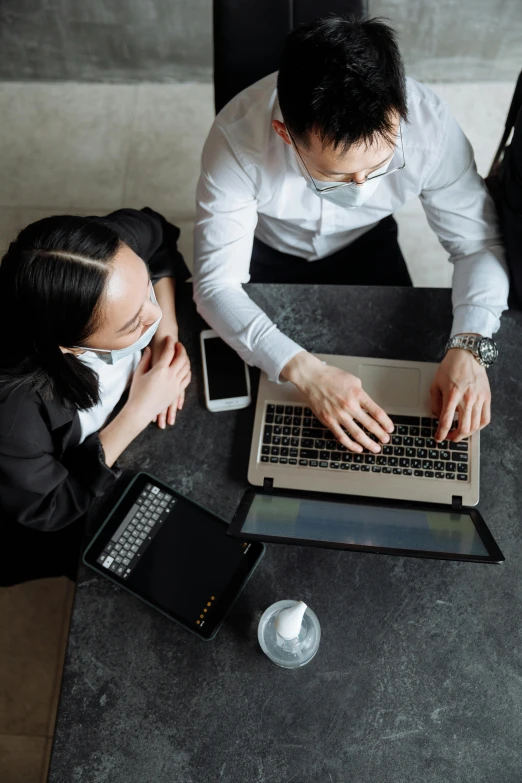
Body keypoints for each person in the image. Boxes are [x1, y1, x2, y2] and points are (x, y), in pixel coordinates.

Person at [194, 15, 509, 456]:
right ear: (285, 134)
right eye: (336, 174)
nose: (362, 188)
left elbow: (476, 245)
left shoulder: (431, 127)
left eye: (378, 167)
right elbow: (215, 286)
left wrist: (472, 344)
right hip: (267, 248)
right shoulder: (235, 139)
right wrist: (305, 372)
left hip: (369, 243)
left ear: (397, 114)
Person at [0, 208, 192, 585]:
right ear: (69, 348)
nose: (150, 314)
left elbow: (159, 236)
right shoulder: (14, 414)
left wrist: (166, 330)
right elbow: (50, 505)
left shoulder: (102, 254)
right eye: (133, 323)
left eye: (146, 290)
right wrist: (138, 411)